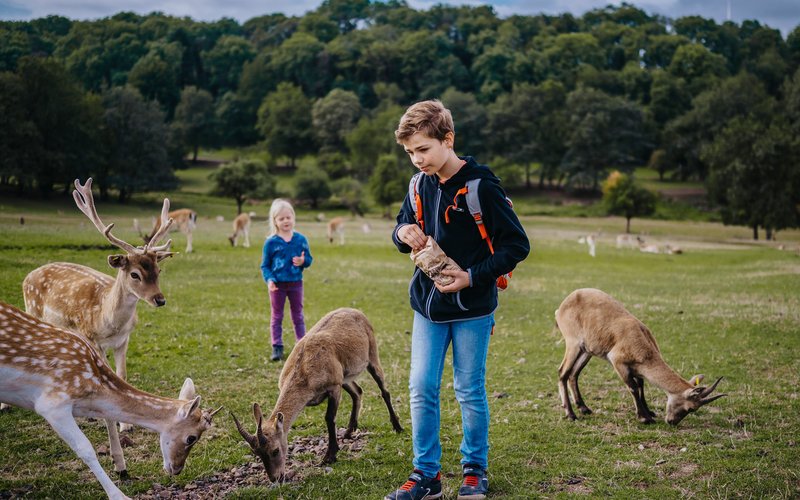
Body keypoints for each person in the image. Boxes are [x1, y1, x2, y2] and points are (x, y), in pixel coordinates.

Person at [386, 100, 530, 500]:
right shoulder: (418, 184)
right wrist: (402, 235)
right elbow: (400, 225)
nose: (417, 160)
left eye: (423, 149)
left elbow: (517, 245)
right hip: (427, 308)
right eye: (410, 152)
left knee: (468, 389)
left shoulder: (482, 186)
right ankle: (426, 475)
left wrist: (471, 276)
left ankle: (474, 470)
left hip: (473, 309)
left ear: (448, 139)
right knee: (420, 387)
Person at [260, 199, 313, 361]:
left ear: (293, 218)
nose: (285, 221)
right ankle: (277, 346)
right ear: (275, 221)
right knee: (277, 316)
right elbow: (265, 266)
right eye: (281, 218)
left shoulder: (301, 239)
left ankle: (301, 345)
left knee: (298, 315)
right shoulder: (271, 243)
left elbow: (309, 259)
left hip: (296, 283)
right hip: (277, 285)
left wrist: (303, 262)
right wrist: (269, 280)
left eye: (288, 217)